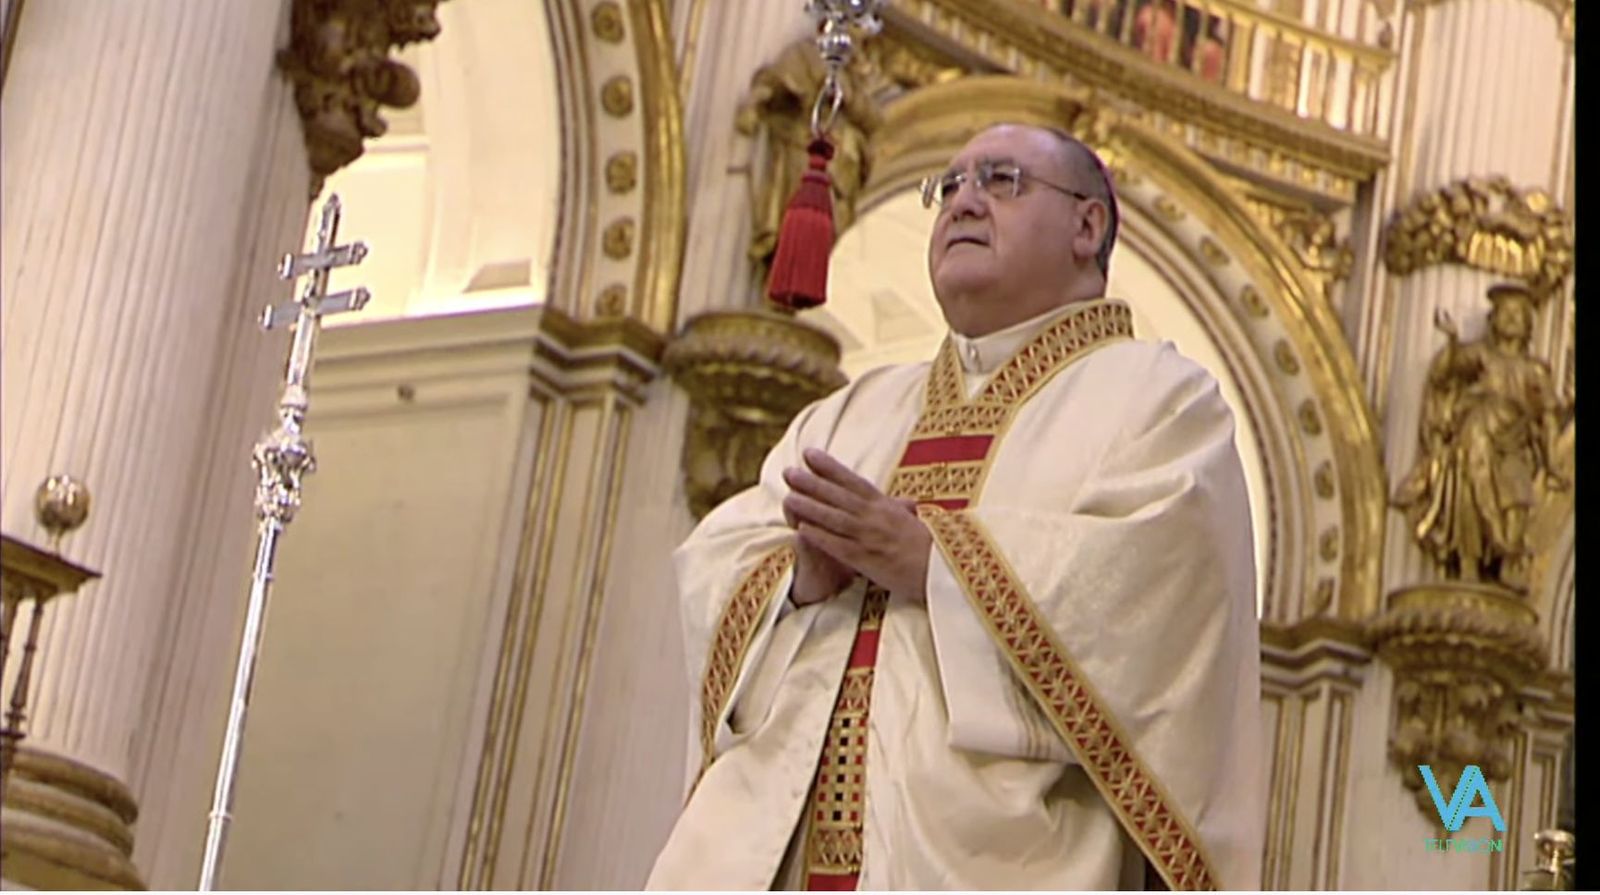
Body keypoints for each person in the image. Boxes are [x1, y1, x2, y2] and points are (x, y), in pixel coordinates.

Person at [647, 123, 1264, 891]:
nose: (964, 202)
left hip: (994, 864)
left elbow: (1164, 606)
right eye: (950, 185)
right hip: (775, 854)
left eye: (1002, 180)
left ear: (1087, 225)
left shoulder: (1159, 402)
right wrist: (800, 582)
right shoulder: (853, 410)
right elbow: (720, 561)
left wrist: (935, 563)